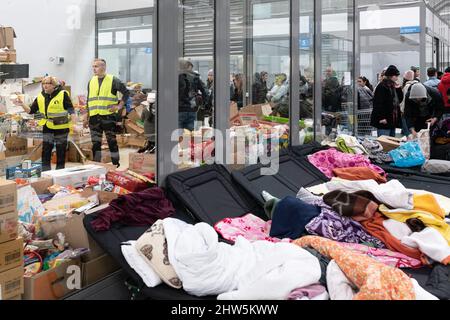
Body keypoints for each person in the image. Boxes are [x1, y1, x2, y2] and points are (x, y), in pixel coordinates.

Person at [17, 76, 76, 172]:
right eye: (43, 84)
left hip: (61, 127)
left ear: (54, 85)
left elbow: (71, 110)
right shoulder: (40, 96)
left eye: (48, 83)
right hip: (48, 126)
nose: (45, 86)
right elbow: (31, 111)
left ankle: (60, 172)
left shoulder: (62, 94)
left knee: (60, 150)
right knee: (46, 150)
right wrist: (22, 104)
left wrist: (74, 124)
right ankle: (46, 172)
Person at [85, 59, 129, 168]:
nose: (94, 69)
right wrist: (87, 116)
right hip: (94, 117)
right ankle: (96, 164)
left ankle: (115, 163)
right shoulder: (91, 81)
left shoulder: (113, 80)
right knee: (96, 143)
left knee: (111, 141)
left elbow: (126, 93)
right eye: (93, 66)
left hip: (108, 116)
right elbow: (89, 99)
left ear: (103, 67)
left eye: (96, 66)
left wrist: (119, 106)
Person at [371, 65, 404, 137]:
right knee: (384, 142)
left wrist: (398, 89)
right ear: (391, 76)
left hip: (392, 120)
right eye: (396, 75)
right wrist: (381, 117)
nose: (397, 78)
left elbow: (399, 100)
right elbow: (378, 103)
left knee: (391, 142)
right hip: (384, 120)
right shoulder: (382, 86)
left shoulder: (393, 86)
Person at [178, 59, 208, 131]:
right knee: (190, 135)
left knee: (178, 135)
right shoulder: (195, 77)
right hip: (192, 109)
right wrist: (203, 103)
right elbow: (205, 91)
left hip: (178, 110)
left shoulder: (175, 77)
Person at [400, 70, 419, 135]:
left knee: (407, 130)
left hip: (406, 111)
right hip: (415, 111)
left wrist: (402, 110)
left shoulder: (407, 86)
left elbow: (404, 100)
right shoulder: (417, 84)